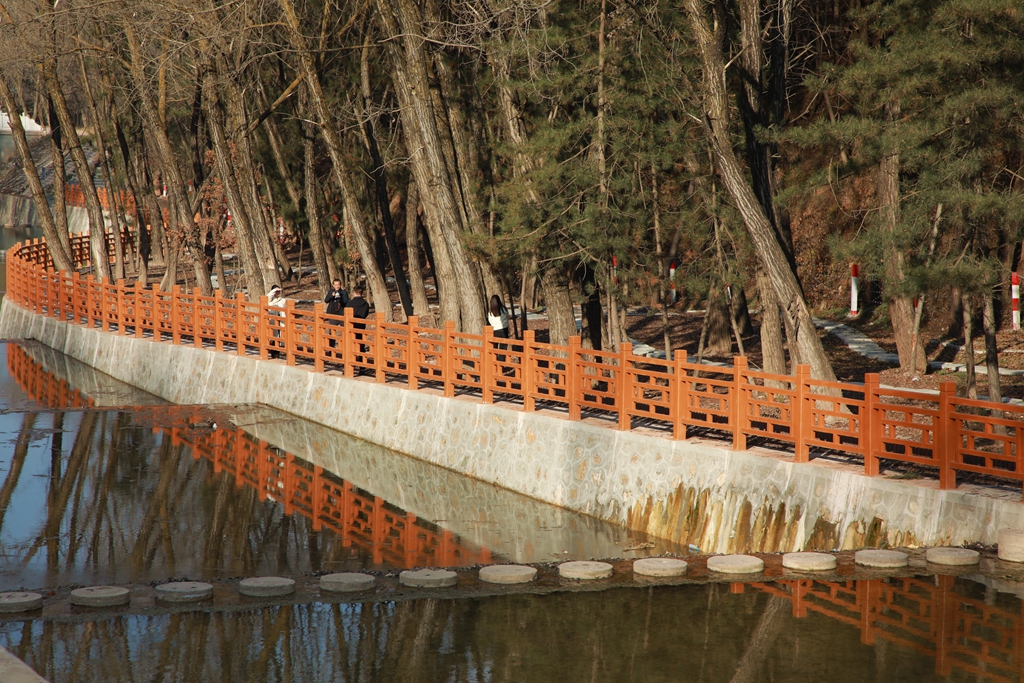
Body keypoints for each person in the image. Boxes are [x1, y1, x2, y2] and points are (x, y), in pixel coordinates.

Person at [346, 285, 371, 366]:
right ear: (362, 293)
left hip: (351, 326)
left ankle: (350, 364)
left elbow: (345, 314)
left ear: (354, 293)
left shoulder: (350, 303)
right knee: (361, 345)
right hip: (361, 326)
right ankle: (361, 366)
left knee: (350, 345)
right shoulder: (365, 304)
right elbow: (366, 313)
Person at [324, 279, 348, 348]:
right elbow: (326, 300)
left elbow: (346, 303)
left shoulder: (344, 292)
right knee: (332, 331)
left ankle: (345, 346)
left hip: (341, 314)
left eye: (338, 285)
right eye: (336, 285)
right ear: (333, 285)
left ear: (340, 285)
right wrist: (331, 296)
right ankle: (331, 347)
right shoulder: (331, 292)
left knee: (345, 330)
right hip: (332, 314)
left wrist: (340, 299)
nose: (337, 286)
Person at [267, 284, 287, 358]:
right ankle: (274, 354)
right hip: (273, 320)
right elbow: (268, 296)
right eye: (276, 291)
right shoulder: (270, 300)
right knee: (274, 337)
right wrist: (274, 290)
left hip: (281, 320)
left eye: (278, 291)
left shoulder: (282, 300)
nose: (277, 293)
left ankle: (279, 353)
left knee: (280, 337)